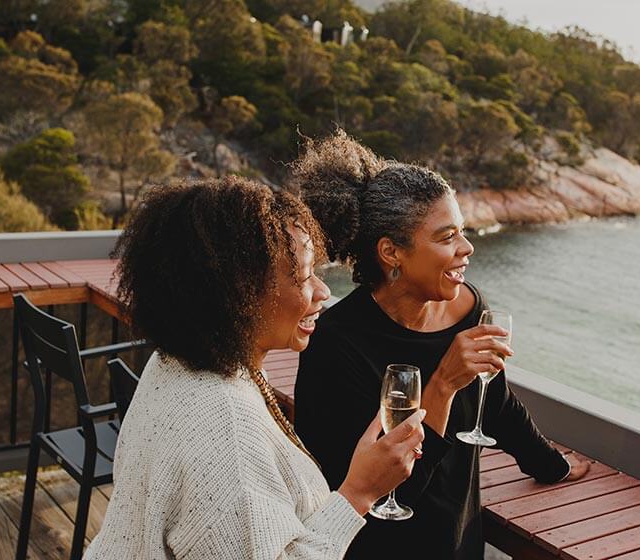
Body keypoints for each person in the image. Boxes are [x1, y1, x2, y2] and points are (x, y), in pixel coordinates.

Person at [85, 177, 425, 559]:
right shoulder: (224, 426)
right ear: (238, 289)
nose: (323, 291)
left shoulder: (175, 364)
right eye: (303, 275)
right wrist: (359, 492)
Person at [288, 131, 590, 559]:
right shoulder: (336, 345)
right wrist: (443, 384)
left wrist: (550, 465)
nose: (466, 248)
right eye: (447, 237)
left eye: (462, 232)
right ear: (392, 252)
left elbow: (496, 402)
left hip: (461, 541)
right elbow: (375, 490)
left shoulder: (469, 304)